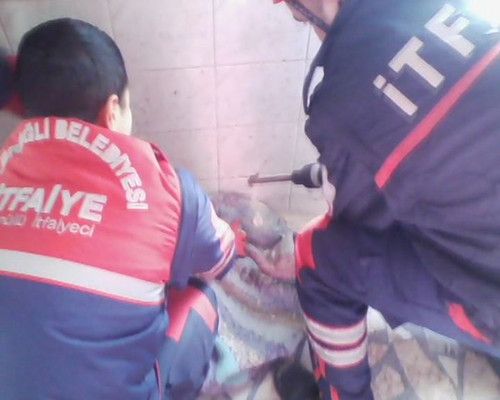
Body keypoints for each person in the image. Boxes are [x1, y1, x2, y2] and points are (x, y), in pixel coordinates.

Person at [0, 18, 245, 400]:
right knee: (201, 296)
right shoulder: (170, 190)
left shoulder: (6, 163)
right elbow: (219, 259)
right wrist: (233, 241)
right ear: (112, 110)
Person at [269, 1, 500, 399]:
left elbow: (359, 228)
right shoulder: (458, 9)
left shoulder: (339, 104)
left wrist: (345, 169)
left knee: (317, 254)